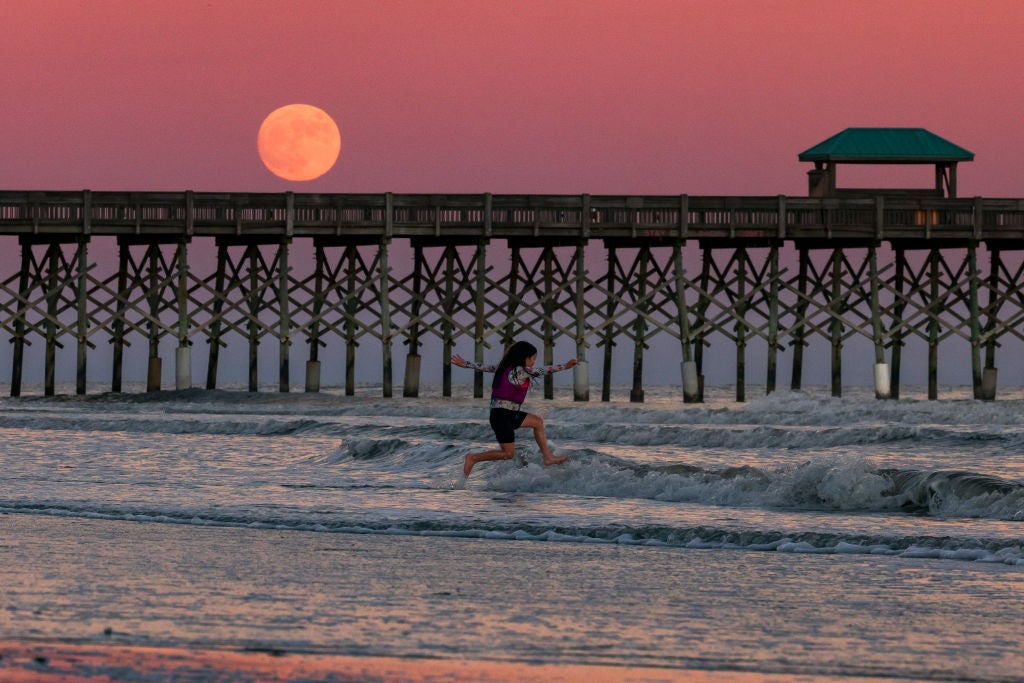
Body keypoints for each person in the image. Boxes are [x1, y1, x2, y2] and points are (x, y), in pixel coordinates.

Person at [452, 341, 578, 477]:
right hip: (502, 415)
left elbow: (483, 367)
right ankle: (473, 458)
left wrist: (465, 364)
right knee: (508, 453)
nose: (534, 362)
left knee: (537, 422)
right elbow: (542, 370)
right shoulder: (519, 371)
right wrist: (565, 366)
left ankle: (548, 457)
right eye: (533, 358)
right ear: (525, 357)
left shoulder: (503, 367)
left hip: (507, 413)